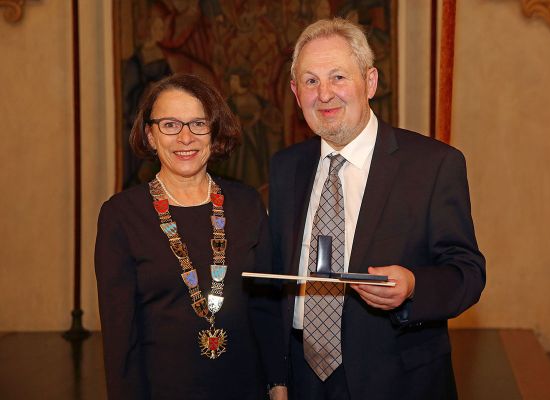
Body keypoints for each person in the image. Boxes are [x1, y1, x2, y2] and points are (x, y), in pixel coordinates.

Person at [268, 18, 485, 400]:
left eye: (338, 77)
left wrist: (414, 286)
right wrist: (277, 378)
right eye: (310, 81)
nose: (324, 94)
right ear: (295, 91)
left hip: (397, 381)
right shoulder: (286, 168)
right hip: (301, 380)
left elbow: (467, 273)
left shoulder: (433, 165)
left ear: (370, 82)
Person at [95, 74, 287, 400]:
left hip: (246, 387)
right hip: (163, 389)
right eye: (170, 124)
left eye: (198, 123)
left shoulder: (247, 204)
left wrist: (278, 384)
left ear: (214, 133)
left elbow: (266, 307)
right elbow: (119, 334)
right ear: (150, 135)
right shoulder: (121, 216)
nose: (186, 137)